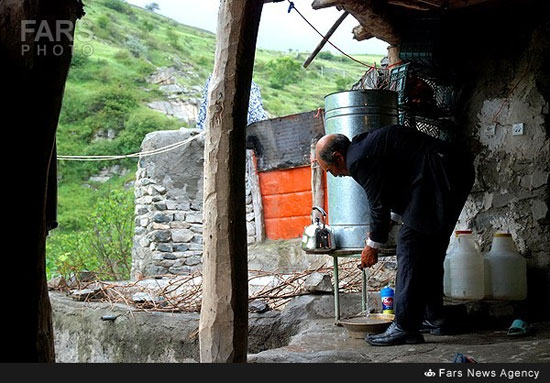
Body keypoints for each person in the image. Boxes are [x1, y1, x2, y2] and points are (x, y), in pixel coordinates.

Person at [315, 124, 475, 346]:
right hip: (449, 170)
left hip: (439, 172)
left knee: (411, 246)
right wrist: (391, 220)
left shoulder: (358, 160)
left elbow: (377, 204)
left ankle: (405, 327)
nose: (334, 175)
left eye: (329, 169)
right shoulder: (364, 149)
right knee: (429, 250)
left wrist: (372, 245)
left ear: (338, 157)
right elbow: (393, 188)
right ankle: (435, 317)